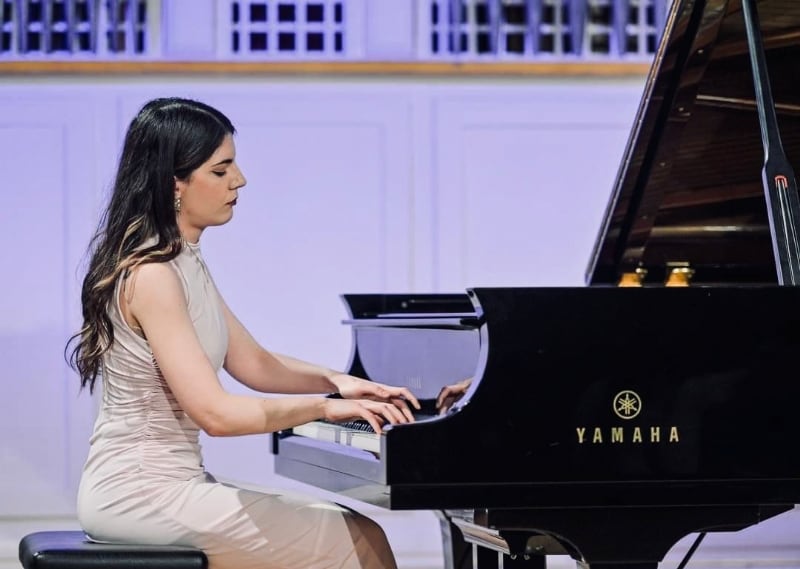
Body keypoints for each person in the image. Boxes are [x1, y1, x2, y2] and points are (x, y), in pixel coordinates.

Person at [67, 97, 421, 569]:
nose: (240, 180)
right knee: (361, 541)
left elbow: (254, 364)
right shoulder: (152, 274)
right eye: (221, 170)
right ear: (175, 181)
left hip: (171, 485)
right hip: (140, 493)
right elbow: (216, 414)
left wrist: (338, 381)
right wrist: (326, 408)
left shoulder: (182, 260)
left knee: (353, 533)